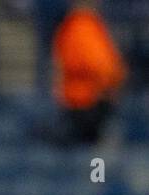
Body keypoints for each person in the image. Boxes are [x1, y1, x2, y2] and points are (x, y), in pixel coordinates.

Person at [52, 2, 126, 144]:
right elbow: (99, 66)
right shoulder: (81, 25)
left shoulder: (87, 23)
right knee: (91, 156)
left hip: (89, 101)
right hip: (85, 102)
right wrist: (113, 80)